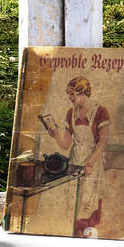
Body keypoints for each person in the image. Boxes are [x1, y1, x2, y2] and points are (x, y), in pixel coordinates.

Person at [41, 75, 110, 234]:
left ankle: (87, 232)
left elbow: (102, 142)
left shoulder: (100, 111)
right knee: (73, 199)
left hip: (92, 161)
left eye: (72, 94)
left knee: (88, 199)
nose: (70, 97)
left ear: (83, 92)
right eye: (68, 94)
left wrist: (91, 162)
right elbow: (65, 144)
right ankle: (74, 232)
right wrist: (55, 134)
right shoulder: (70, 113)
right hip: (75, 161)